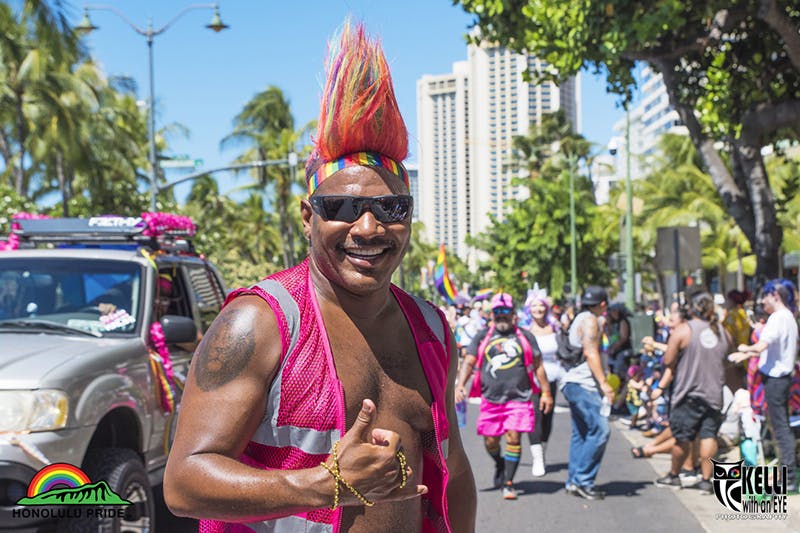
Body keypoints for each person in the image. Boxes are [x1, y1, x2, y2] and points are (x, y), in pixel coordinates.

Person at [163, 21, 476, 533]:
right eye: (343, 207)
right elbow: (182, 484)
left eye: (391, 207)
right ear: (308, 217)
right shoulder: (258, 323)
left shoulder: (432, 328)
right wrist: (322, 484)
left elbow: (455, 470)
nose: (370, 227)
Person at [455, 293, 553, 500]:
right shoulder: (482, 336)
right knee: (491, 441)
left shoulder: (525, 337)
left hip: (519, 398)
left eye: (505, 312)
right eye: (497, 312)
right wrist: (460, 385)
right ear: (492, 314)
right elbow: (469, 361)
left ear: (513, 314)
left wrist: (545, 392)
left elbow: (538, 366)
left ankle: (508, 482)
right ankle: (500, 463)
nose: (501, 316)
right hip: (490, 400)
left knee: (514, 437)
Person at [651, 290, 732, 494]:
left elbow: (668, 361)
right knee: (708, 437)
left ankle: (674, 475)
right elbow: (727, 360)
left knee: (682, 438)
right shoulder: (722, 332)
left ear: (691, 308)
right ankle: (706, 480)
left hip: (688, 394)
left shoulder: (684, 330)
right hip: (714, 394)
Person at [729, 278, 798, 492]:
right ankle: (786, 474)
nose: (763, 301)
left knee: (780, 429)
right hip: (781, 379)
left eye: (766, 296)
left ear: (774, 296)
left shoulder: (778, 318)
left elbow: (761, 346)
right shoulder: (789, 317)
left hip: (776, 381)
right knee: (780, 427)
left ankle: (788, 478)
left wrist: (743, 350)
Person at [561, 286, 613, 501]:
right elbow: (590, 352)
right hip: (583, 384)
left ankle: (574, 481)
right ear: (603, 304)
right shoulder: (591, 320)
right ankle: (583, 480)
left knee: (581, 433)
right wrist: (604, 383)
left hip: (574, 383)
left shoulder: (580, 317)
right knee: (601, 431)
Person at [525, 293, 562, 476]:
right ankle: (537, 458)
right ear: (528, 309)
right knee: (534, 417)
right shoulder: (524, 330)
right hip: (531, 381)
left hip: (553, 378)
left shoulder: (555, 328)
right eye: (534, 306)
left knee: (547, 418)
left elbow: (563, 352)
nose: (538, 309)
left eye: (541, 306)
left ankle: (543, 452)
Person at [606, 303, 633, 376]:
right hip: (613, 351)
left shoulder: (623, 321)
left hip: (623, 350)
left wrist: (614, 347)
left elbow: (624, 337)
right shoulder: (612, 323)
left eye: (614, 311)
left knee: (619, 366)